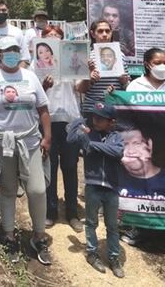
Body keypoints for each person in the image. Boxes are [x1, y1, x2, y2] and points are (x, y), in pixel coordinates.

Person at [0, 36, 53, 265]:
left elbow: (42, 108)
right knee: (8, 189)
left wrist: (47, 137)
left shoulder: (30, 77)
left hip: (30, 140)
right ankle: (8, 234)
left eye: (14, 49)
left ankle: (38, 236)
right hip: (3, 142)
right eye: (6, 50)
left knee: (38, 190)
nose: (11, 53)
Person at [67, 101, 125, 278]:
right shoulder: (88, 133)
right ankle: (92, 253)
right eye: (93, 117)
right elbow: (70, 139)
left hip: (111, 187)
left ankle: (114, 257)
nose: (96, 120)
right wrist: (79, 121)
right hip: (93, 186)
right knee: (91, 222)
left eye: (101, 118)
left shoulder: (117, 136)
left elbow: (117, 152)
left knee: (112, 225)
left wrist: (93, 146)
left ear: (111, 122)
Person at [40, 36, 84, 232]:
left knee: (70, 166)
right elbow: (35, 93)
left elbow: (81, 88)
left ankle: (72, 212)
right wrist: (45, 85)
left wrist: (87, 75)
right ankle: (50, 211)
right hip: (48, 122)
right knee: (49, 167)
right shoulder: (38, 64)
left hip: (70, 122)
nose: (54, 42)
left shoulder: (72, 60)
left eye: (57, 37)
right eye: (49, 38)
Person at [80, 20, 131, 115]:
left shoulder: (120, 56)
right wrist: (89, 78)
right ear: (92, 34)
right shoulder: (87, 57)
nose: (104, 34)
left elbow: (128, 88)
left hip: (115, 110)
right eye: (100, 31)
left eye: (107, 31)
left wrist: (124, 82)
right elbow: (80, 89)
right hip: (92, 110)